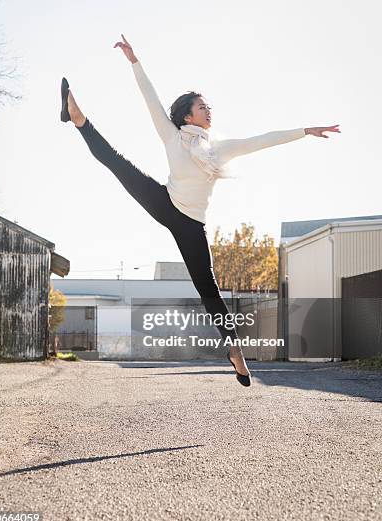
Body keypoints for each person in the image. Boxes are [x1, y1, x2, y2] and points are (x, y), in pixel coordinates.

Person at [60, 34, 341, 387]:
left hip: (192, 225)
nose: (210, 111)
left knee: (209, 290)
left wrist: (304, 131)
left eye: (208, 107)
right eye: (203, 106)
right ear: (187, 114)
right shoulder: (172, 135)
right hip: (165, 203)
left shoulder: (218, 149)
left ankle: (234, 352)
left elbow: (262, 140)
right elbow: (149, 97)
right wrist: (134, 61)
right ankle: (77, 117)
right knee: (117, 163)